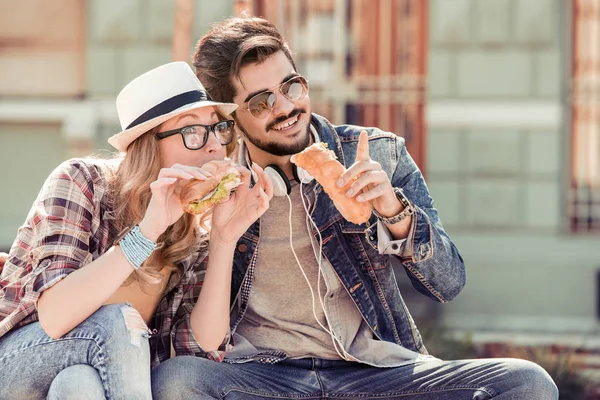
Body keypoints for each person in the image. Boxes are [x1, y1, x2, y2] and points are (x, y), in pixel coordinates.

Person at [151, 17, 559, 400]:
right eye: (261, 103)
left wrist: (393, 211)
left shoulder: (378, 154)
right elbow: (189, 333)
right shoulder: (217, 188)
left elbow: (448, 284)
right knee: (178, 381)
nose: (286, 108)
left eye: (292, 86)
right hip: (267, 377)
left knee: (527, 384)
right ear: (232, 119)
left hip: (376, 371)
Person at [0, 61, 272, 399]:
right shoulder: (81, 180)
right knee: (119, 322)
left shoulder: (192, 225)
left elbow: (201, 348)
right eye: (192, 131)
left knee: (79, 385)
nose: (215, 145)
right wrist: (148, 230)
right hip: (17, 360)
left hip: (91, 375)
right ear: (147, 146)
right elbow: (55, 318)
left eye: (218, 128)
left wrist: (223, 239)